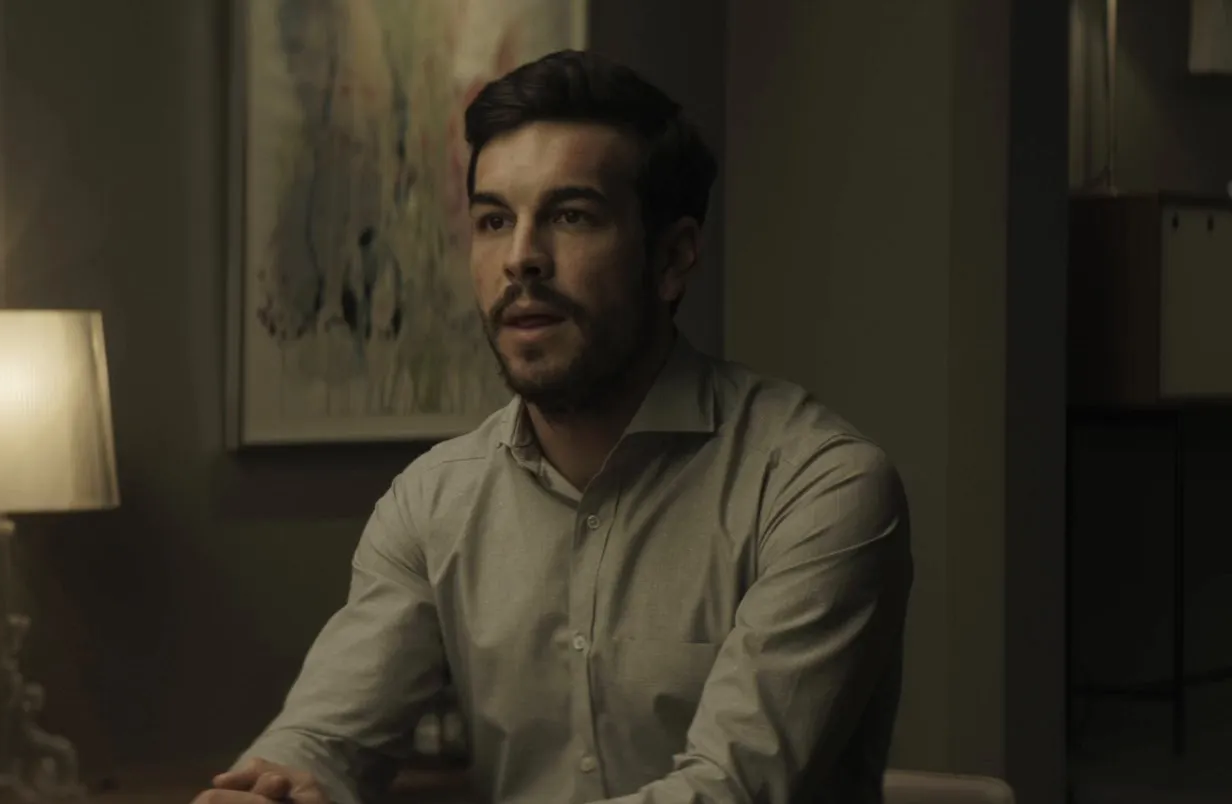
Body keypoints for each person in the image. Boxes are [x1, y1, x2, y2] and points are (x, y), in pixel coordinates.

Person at [195, 50, 913, 804]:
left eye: (571, 216)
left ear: (673, 258)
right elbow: (323, 740)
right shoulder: (433, 503)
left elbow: (728, 790)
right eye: (494, 220)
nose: (521, 260)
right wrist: (276, 786)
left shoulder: (819, 488)